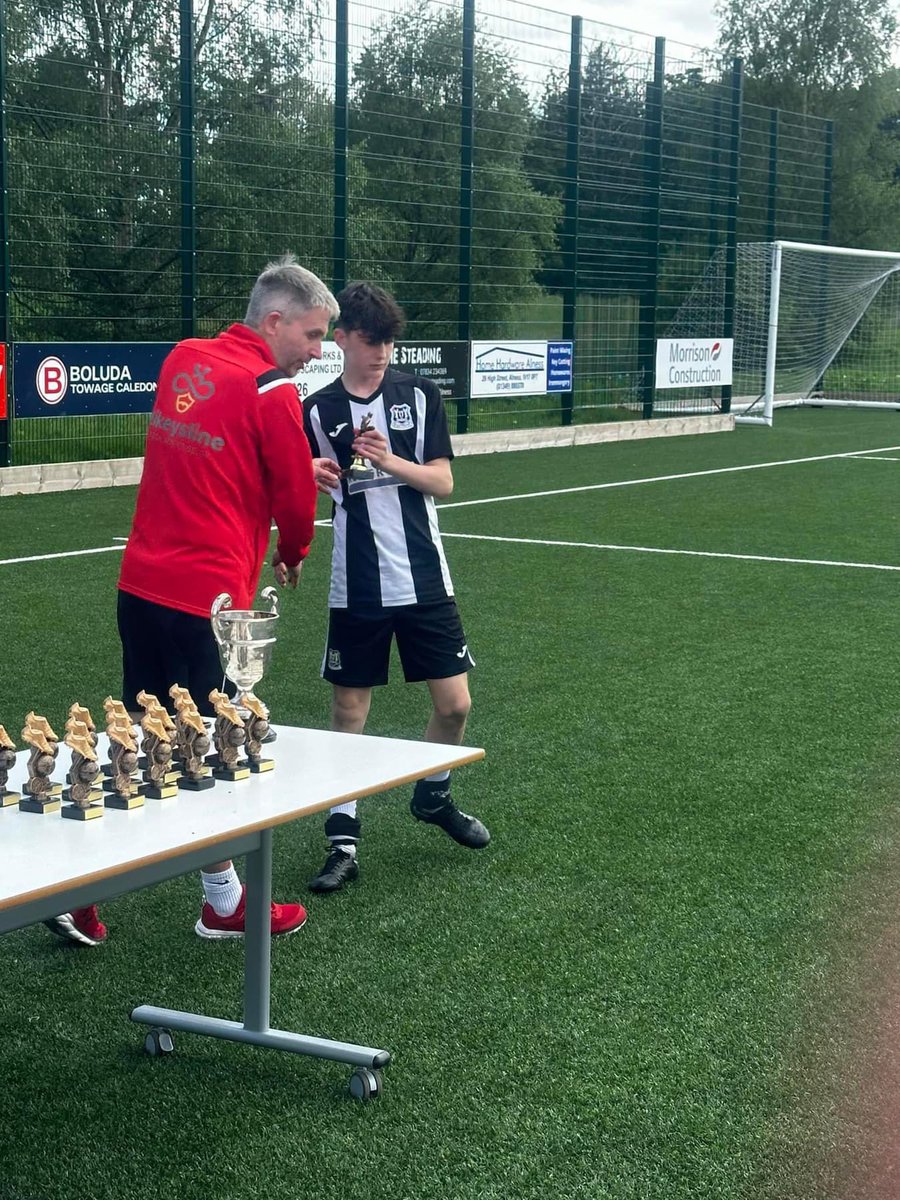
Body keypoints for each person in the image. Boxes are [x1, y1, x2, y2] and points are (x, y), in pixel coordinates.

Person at [44, 254, 338, 947]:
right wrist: (293, 552)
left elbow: (219, 455)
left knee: (146, 746)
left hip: (141, 584)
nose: (317, 351)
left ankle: (80, 891)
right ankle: (219, 902)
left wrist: (283, 467)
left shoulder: (182, 358)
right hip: (205, 603)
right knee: (211, 751)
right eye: (313, 335)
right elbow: (295, 501)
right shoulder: (273, 391)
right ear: (274, 322)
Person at [283, 281, 489, 894]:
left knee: (456, 705)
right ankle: (342, 840)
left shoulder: (419, 395)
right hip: (358, 585)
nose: (382, 353)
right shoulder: (316, 409)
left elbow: (443, 482)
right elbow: (302, 478)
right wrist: (308, 480)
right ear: (341, 339)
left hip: (425, 578)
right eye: (370, 341)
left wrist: (388, 459)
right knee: (350, 713)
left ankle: (432, 796)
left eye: (390, 341)